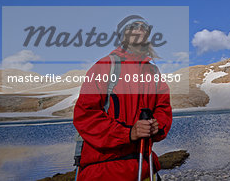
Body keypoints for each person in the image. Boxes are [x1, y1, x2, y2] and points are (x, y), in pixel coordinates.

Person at [73, 16, 172, 180]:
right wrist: (127, 133)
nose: (140, 29)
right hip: (104, 171)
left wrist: (157, 126)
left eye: (145, 27)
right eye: (134, 26)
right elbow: (85, 115)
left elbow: (163, 108)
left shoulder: (153, 73)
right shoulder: (105, 67)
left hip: (144, 168)